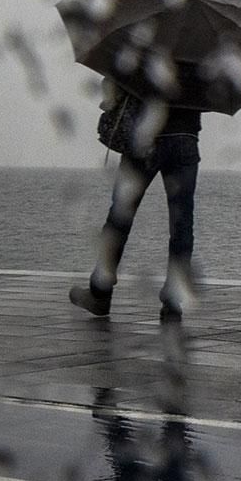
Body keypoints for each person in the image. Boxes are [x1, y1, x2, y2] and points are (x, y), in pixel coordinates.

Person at [69, 79, 202, 319]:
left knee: (120, 216)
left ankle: (100, 291)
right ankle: (173, 301)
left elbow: (118, 82)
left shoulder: (148, 43)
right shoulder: (204, 49)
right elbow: (209, 97)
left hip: (145, 137)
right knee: (182, 223)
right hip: (185, 138)